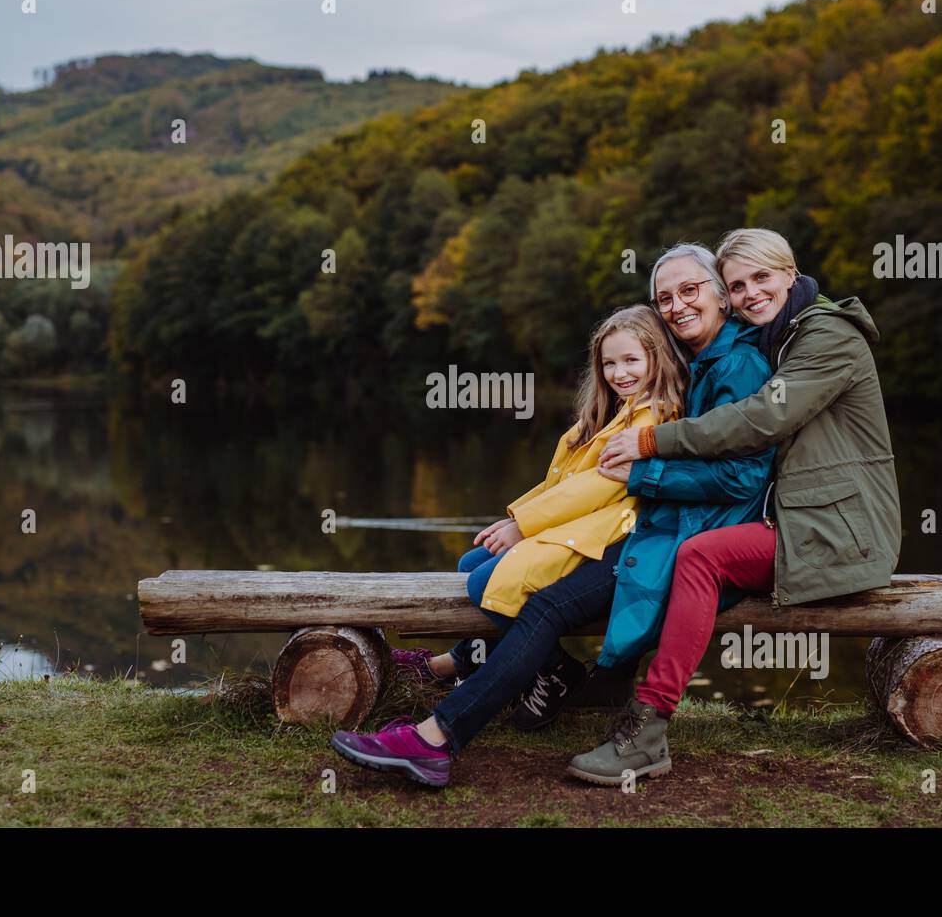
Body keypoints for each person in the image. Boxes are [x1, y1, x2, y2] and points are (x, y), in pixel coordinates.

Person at [330, 242, 772, 787]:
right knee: (529, 596)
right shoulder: (699, 366)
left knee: (542, 606)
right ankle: (481, 696)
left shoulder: (736, 365)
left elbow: (738, 478)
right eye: (665, 297)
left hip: (684, 538)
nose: (678, 305)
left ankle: (437, 735)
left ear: (721, 296)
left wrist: (637, 473)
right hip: (659, 529)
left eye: (690, 290)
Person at [568, 227, 901, 785]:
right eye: (738, 285)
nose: (750, 294)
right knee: (670, 549)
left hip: (842, 530)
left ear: (791, 275)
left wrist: (653, 444)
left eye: (762, 278)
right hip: (801, 519)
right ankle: (604, 679)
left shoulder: (828, 338)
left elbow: (760, 419)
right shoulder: (779, 336)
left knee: (702, 555)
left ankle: (646, 730)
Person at [393, 305, 685, 729]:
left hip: (604, 538)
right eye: (609, 363)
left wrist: (525, 526)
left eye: (631, 361)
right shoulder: (607, 413)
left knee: (483, 583)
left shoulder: (652, 417)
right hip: (575, 527)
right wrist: (513, 516)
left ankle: (554, 671)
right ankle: (470, 660)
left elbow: (601, 487)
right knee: (470, 563)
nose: (619, 373)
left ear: (657, 359)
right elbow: (559, 484)